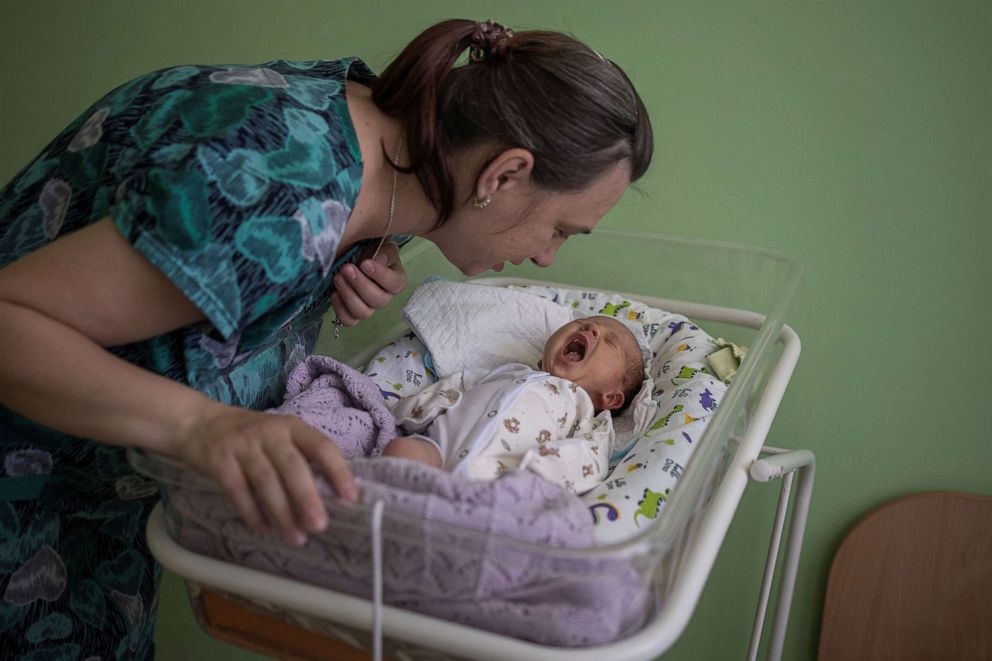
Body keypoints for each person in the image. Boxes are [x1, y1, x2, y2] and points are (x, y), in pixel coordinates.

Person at [0, 17, 652, 658]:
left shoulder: (392, 153)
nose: (548, 258)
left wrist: (343, 266)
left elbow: (216, 268)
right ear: (504, 174)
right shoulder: (275, 193)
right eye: (563, 230)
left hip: (104, 511)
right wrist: (201, 425)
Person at [382, 315, 647, 495]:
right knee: (400, 449)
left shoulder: (585, 413)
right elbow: (457, 386)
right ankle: (389, 513)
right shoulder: (510, 372)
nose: (591, 329)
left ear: (611, 398)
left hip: (497, 480)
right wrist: (408, 410)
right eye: (581, 324)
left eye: (610, 341)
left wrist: (537, 471)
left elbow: (589, 459)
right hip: (438, 449)